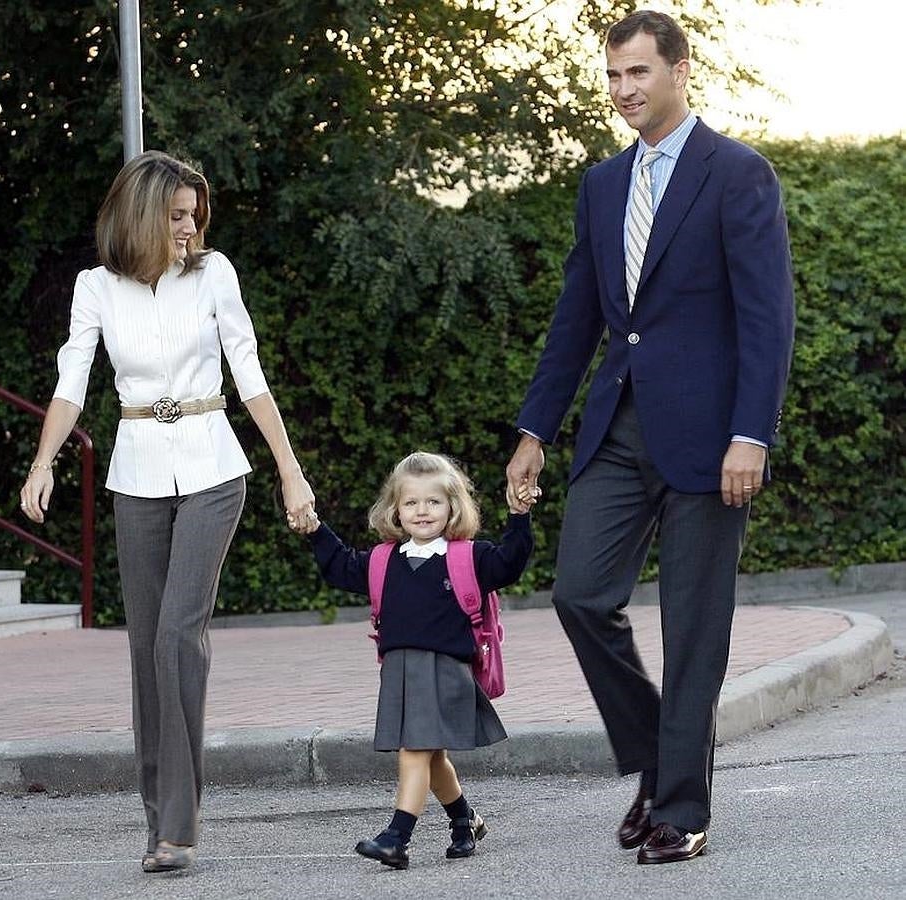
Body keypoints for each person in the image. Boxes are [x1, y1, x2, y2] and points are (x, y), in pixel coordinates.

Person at [505, 10, 794, 865]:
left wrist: (752, 433)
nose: (623, 90)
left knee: (694, 629)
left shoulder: (737, 174)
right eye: (612, 76)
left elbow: (765, 317)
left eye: (637, 72)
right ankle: (657, 760)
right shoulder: (601, 186)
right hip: (619, 428)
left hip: (713, 442)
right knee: (578, 595)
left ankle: (681, 810)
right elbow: (577, 318)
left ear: (677, 71)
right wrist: (535, 429)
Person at [18, 150, 316, 873]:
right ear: (142, 215)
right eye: (176, 215)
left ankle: (179, 825)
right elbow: (70, 380)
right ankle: (159, 826)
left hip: (215, 469)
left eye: (194, 216)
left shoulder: (213, 274)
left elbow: (248, 372)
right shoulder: (95, 288)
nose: (189, 228)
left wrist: (290, 470)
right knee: (144, 645)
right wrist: (41, 462)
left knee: (178, 636)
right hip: (138, 474)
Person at [293, 451, 533, 869]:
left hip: (445, 672)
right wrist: (316, 530)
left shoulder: (468, 558)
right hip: (401, 672)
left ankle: (397, 837)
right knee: (431, 756)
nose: (422, 511)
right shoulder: (384, 562)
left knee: (413, 751)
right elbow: (341, 567)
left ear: (452, 507)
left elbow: (509, 562)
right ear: (395, 510)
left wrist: (519, 516)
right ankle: (465, 822)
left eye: (434, 501)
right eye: (411, 503)